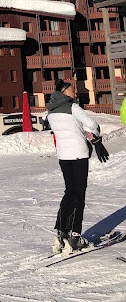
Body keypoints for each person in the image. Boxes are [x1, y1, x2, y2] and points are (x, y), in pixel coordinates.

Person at [46, 79, 109, 254]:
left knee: (69, 192)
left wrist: (82, 133)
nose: (75, 93)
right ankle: (74, 236)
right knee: (79, 194)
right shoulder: (73, 107)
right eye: (72, 90)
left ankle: (61, 232)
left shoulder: (50, 111)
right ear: (65, 92)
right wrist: (96, 138)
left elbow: (69, 129)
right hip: (79, 155)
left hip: (63, 156)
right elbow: (93, 124)